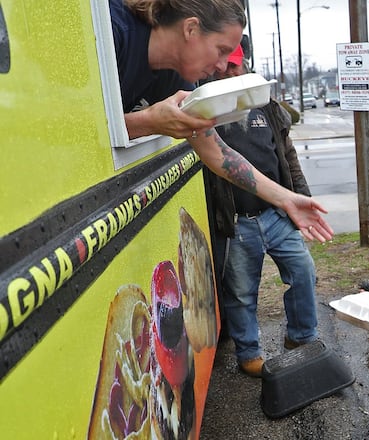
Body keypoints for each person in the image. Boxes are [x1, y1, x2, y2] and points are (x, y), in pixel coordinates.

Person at [110, 0, 332, 242]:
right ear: (191, 29)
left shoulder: (175, 75)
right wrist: (147, 122)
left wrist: (286, 198)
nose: (223, 66)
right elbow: (72, 133)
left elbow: (217, 153)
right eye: (222, 50)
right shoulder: (112, 31)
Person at [210, 46, 318, 377]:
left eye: (234, 64)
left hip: (276, 214)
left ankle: (301, 338)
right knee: (241, 293)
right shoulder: (206, 109)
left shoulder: (265, 104)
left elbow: (288, 156)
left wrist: (301, 198)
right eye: (223, 65)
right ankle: (249, 353)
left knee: (303, 271)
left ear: (243, 63)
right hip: (237, 223)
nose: (229, 71)